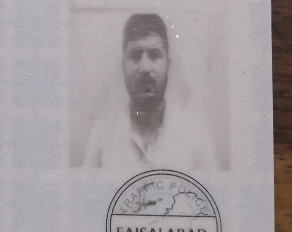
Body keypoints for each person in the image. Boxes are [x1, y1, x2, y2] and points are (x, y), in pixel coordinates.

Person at [84, 13, 218, 171]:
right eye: (135, 56)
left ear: (168, 65)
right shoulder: (102, 136)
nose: (145, 68)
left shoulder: (196, 137)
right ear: (123, 66)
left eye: (154, 55)